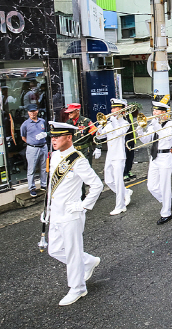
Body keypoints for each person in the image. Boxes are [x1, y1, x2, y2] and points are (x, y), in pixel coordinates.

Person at [42, 121, 103, 306]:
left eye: (57, 136)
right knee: (54, 250)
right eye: (52, 136)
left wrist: (83, 206)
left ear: (69, 137)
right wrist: (46, 210)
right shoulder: (54, 157)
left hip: (71, 213)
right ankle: (89, 261)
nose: (53, 140)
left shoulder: (78, 160)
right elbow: (52, 188)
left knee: (72, 252)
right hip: (56, 213)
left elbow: (97, 185)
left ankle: (78, 288)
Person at [137, 102, 172, 224]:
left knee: (165, 186)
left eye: (157, 111)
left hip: (165, 157)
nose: (154, 113)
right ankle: (168, 200)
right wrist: (140, 130)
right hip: (154, 157)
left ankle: (166, 212)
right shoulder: (154, 124)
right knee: (152, 186)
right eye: (153, 111)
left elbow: (166, 137)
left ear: (164, 112)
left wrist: (156, 126)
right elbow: (146, 140)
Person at [95, 98, 132, 216]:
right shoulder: (110, 122)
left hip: (119, 155)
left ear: (121, 110)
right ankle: (125, 192)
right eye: (112, 108)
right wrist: (100, 127)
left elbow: (118, 133)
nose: (112, 110)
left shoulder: (125, 123)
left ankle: (120, 206)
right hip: (110, 155)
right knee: (108, 180)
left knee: (118, 181)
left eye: (115, 108)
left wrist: (113, 120)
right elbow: (100, 137)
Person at [20, 104, 48, 197]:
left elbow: (46, 132)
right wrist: (31, 142)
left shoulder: (42, 121)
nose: (32, 113)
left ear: (37, 111)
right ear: (28, 112)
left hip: (43, 147)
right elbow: (23, 137)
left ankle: (43, 185)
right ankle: (32, 188)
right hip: (32, 148)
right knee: (31, 169)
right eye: (30, 112)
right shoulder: (25, 124)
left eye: (34, 111)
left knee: (44, 167)